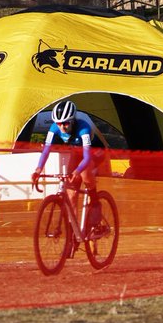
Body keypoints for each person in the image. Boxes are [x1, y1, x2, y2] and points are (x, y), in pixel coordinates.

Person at [31, 101, 107, 238]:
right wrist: (38, 170)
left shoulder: (84, 128)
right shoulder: (54, 128)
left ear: (72, 121)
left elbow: (87, 157)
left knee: (84, 173)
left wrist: (77, 171)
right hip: (77, 153)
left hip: (95, 152)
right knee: (71, 194)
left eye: (65, 123)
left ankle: (95, 203)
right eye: (59, 123)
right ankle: (74, 233)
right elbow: (46, 151)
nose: (62, 127)